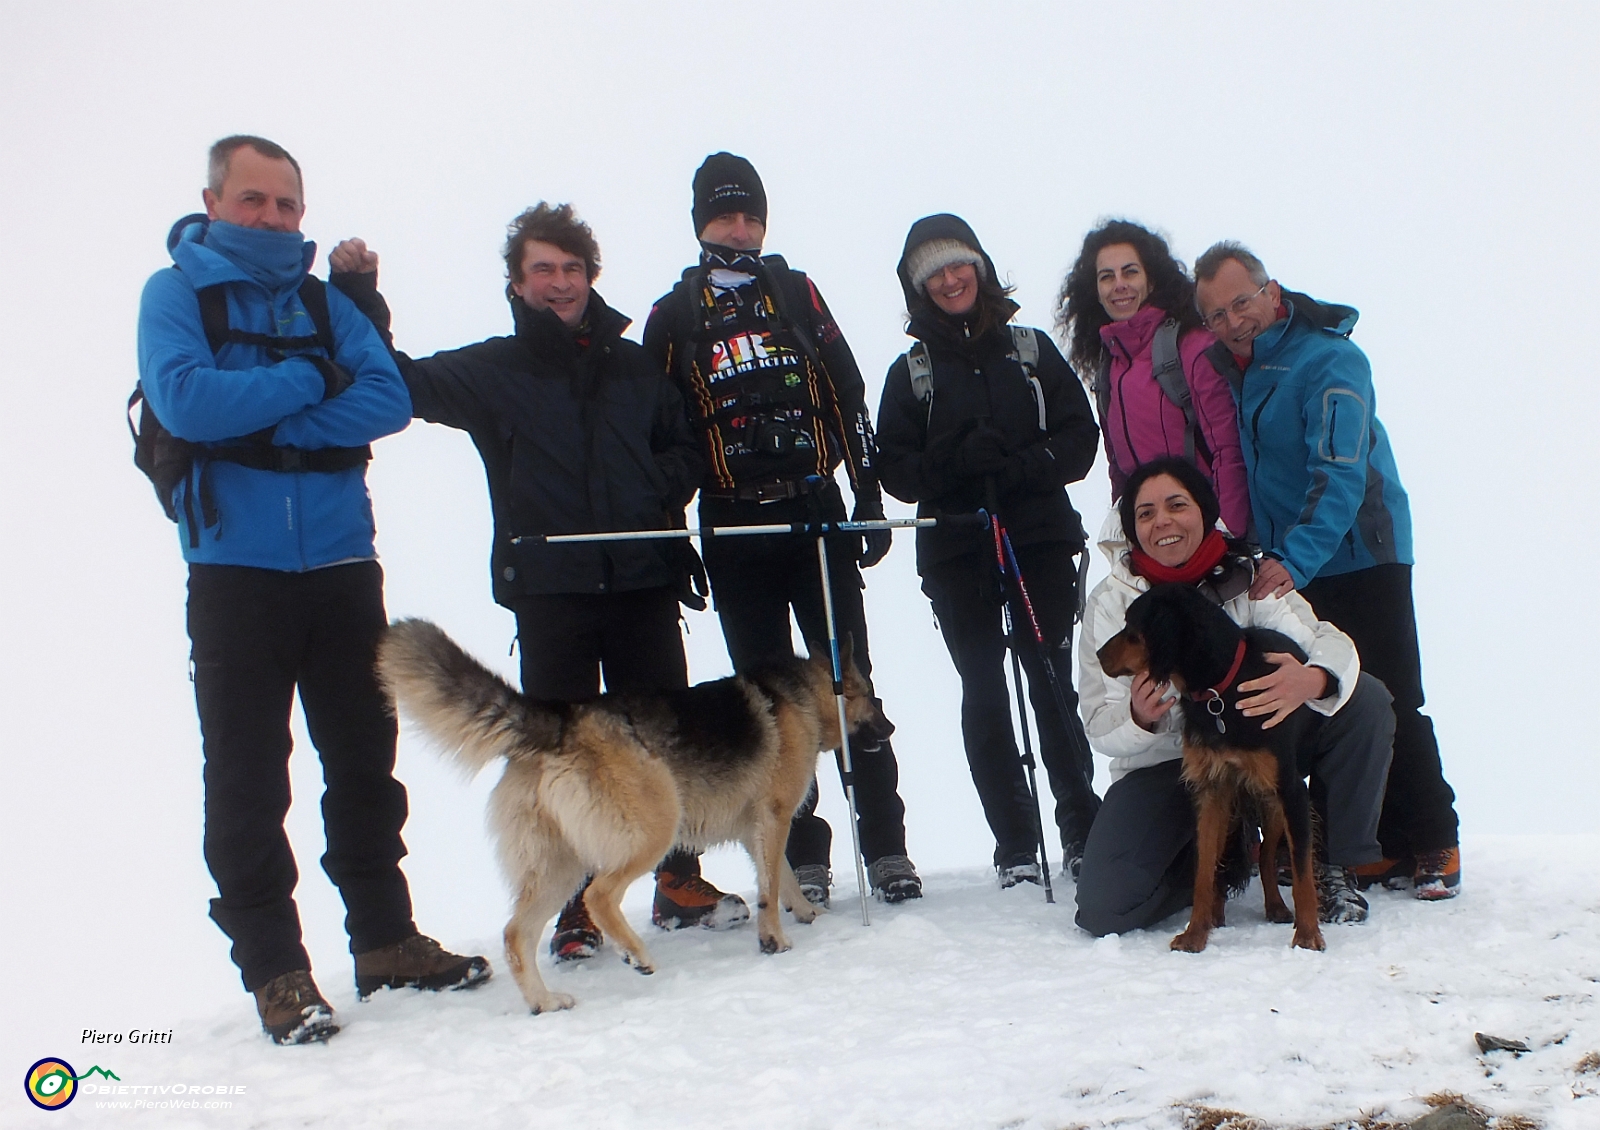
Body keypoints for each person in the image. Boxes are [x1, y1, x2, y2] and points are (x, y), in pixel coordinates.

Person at [135, 136, 488, 1046]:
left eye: (288, 205)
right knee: (249, 779)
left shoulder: (327, 303)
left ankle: (384, 941)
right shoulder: (175, 294)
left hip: (340, 568)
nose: (274, 219)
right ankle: (278, 973)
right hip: (233, 573)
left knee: (364, 763)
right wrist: (306, 378)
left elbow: (388, 402)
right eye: (254, 200)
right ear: (212, 200)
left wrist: (263, 395)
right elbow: (185, 405)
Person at [327, 203, 729, 963]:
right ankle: (577, 908)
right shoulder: (495, 371)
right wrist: (360, 301)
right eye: (542, 269)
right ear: (517, 283)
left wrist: (653, 490)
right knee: (564, 754)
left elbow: (685, 447)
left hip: (643, 577)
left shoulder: (635, 364)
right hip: (552, 590)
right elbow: (401, 384)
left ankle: (678, 881)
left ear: (590, 278)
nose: (560, 283)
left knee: (662, 739)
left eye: (572, 269)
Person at [642, 153, 921, 906]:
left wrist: (864, 492)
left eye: (750, 214)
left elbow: (846, 387)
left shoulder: (794, 291)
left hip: (813, 514)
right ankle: (801, 853)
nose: (740, 228)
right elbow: (658, 431)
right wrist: (676, 541)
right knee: (766, 706)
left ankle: (887, 847)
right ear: (700, 221)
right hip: (733, 529)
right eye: (726, 214)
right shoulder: (674, 316)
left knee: (848, 680)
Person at [1192, 242, 1461, 899]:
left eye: (1242, 302)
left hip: (1362, 551)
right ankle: (1369, 848)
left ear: (1272, 292)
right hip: (1294, 561)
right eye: (1217, 313)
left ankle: (1432, 841)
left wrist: (1292, 560)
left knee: (1390, 692)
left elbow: (1337, 475)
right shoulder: (1235, 369)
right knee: (1327, 695)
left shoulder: (1331, 359)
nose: (1232, 320)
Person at [1075, 458, 1396, 936]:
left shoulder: (1250, 577)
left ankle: (1334, 867)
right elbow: (1098, 723)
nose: (1161, 521)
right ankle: (1209, 866)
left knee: (1365, 699)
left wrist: (1314, 679)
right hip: (1167, 769)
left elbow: (1330, 643)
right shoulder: (1111, 601)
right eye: (1144, 513)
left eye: (1176, 505)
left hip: (1262, 739)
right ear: (1130, 528)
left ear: (1204, 512)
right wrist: (1140, 719)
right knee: (1104, 910)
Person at [875, 214, 1102, 884]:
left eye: (958, 264)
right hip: (955, 547)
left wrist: (1024, 466)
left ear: (980, 267)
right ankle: (1015, 843)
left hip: (1035, 537)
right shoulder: (911, 372)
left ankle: (1081, 826)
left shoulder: (1029, 350)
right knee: (983, 685)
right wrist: (953, 461)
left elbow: (1079, 440)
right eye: (934, 273)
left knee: (1050, 675)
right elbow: (895, 468)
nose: (950, 279)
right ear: (919, 288)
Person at [1057, 220, 1249, 536]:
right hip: (1153, 538)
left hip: (1205, 533)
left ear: (1151, 280)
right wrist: (1126, 539)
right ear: (1095, 290)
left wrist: (1227, 537)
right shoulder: (1110, 366)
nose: (1119, 284)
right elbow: (1120, 471)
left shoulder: (1192, 347)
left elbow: (1229, 452)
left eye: (1130, 272)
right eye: (1107, 276)